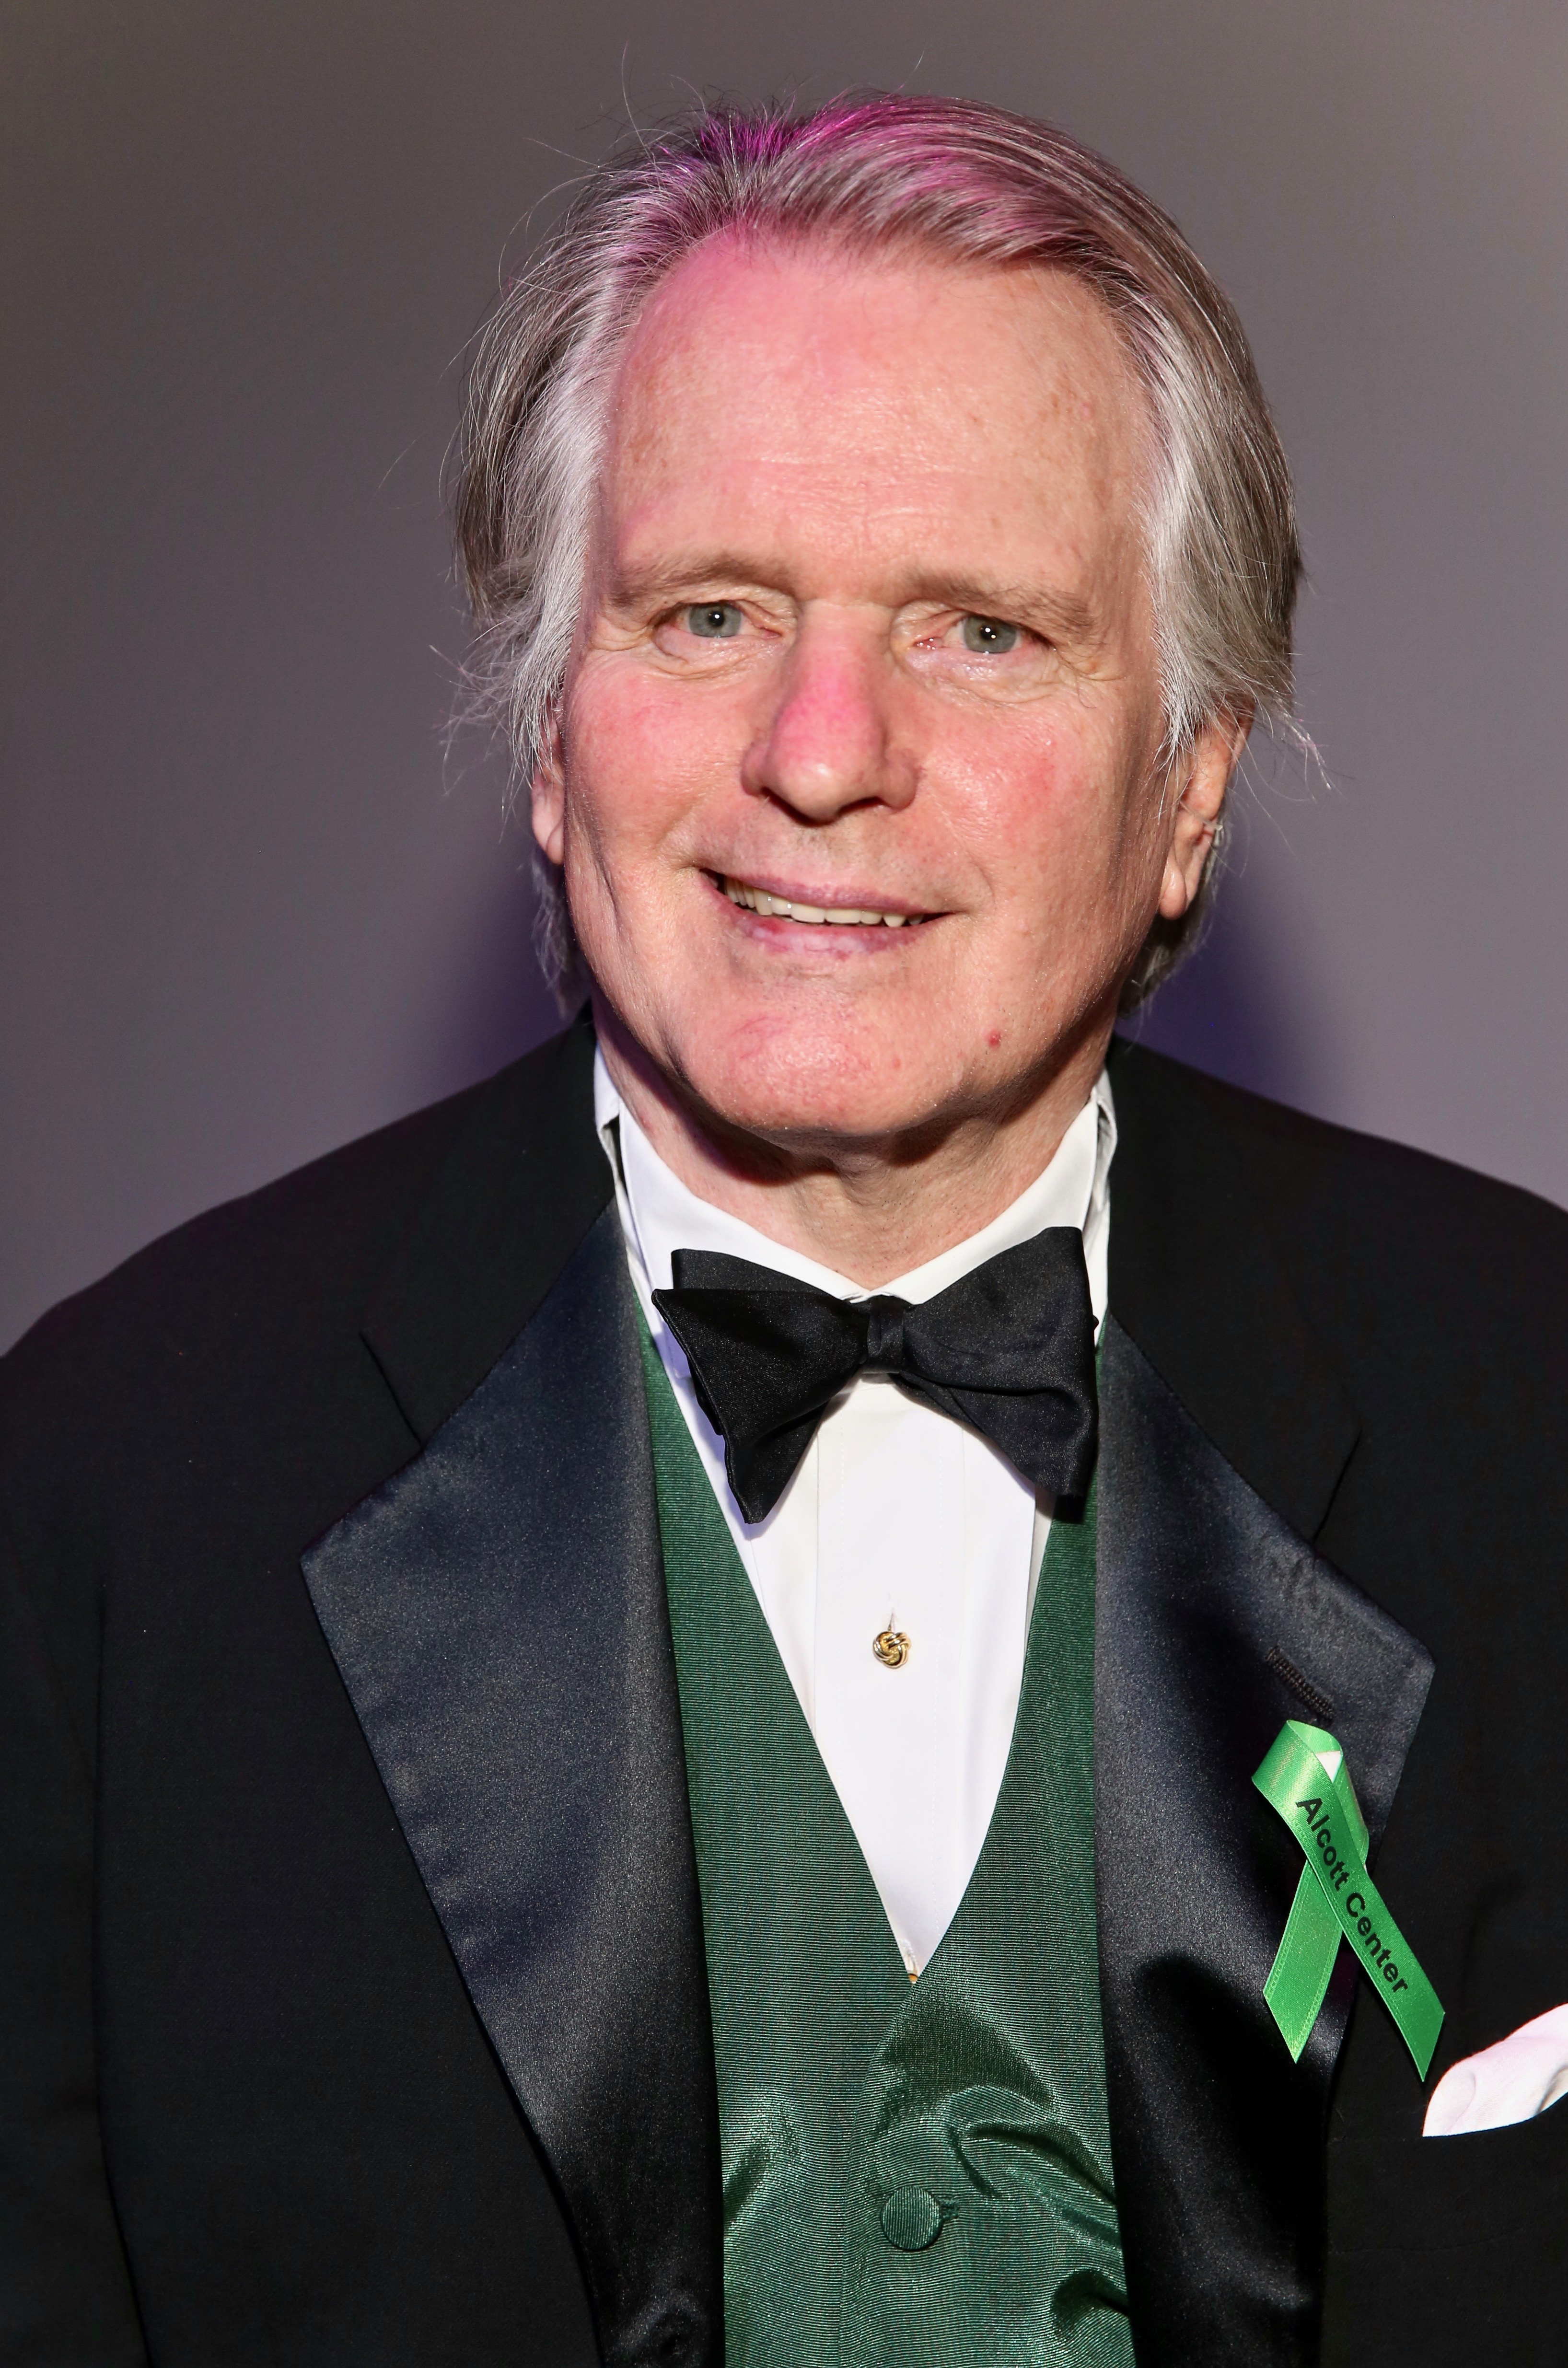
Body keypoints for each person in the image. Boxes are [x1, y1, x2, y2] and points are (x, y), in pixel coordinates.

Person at [2, 93, 1565, 2368]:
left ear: (1191, 785)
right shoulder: (116, 1491)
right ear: (551, 734)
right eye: (707, 609)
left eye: (981, 631)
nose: (820, 749)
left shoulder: (1535, 1408)